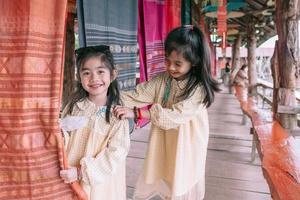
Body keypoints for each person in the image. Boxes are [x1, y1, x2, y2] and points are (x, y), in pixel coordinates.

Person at [114, 25, 220, 200]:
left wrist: (139, 114)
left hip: (188, 142)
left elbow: (176, 115)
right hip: (166, 138)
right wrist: (106, 96)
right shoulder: (163, 80)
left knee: (182, 176)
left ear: (194, 61)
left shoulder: (198, 89)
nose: (171, 67)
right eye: (167, 60)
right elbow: (137, 95)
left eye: (178, 63)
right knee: (167, 173)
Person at [59, 45, 130, 200]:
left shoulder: (116, 115)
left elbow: (116, 154)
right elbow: (63, 136)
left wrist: (80, 172)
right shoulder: (74, 106)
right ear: (79, 77)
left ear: (112, 75)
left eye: (100, 71)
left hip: (99, 182)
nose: (94, 78)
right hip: (70, 175)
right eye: (86, 73)